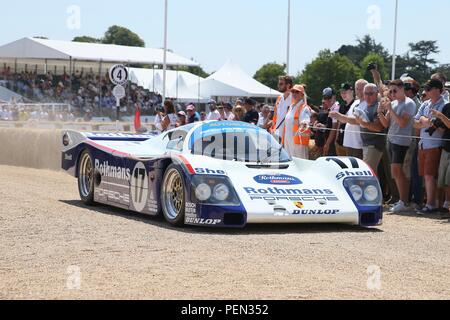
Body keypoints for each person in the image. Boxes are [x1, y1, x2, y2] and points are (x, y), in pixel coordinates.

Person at [378, 80, 417, 213]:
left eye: (395, 91)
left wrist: (389, 109)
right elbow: (385, 124)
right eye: (390, 91)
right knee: (396, 172)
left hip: (402, 141)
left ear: (402, 89)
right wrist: (380, 112)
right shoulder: (393, 103)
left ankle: (404, 201)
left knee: (397, 171)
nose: (392, 94)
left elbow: (402, 123)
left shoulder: (409, 103)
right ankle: (403, 200)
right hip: (391, 140)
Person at [414, 79, 447, 214]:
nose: (426, 91)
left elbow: (441, 126)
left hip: (435, 145)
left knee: (429, 175)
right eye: (426, 89)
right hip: (423, 144)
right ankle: (431, 202)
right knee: (426, 176)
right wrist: (426, 122)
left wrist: (424, 121)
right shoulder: (425, 104)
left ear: (438, 90)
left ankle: (431, 204)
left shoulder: (445, 105)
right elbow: (415, 122)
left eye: (429, 89)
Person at [330, 80, 367, 159]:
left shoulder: (367, 104)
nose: (358, 91)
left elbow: (357, 121)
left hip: (358, 144)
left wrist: (339, 116)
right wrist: (338, 116)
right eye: (357, 88)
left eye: (361, 89)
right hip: (348, 142)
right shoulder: (355, 103)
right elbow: (344, 121)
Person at [355, 84, 386, 173]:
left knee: (368, 172)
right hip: (367, 145)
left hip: (374, 145)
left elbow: (378, 128)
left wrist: (362, 122)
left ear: (376, 94)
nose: (367, 96)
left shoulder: (378, 107)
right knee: (371, 173)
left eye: (371, 93)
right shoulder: (366, 106)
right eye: (366, 93)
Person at [431, 103, 450, 215]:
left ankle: (447, 205)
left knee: (449, 180)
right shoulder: (447, 106)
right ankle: (441, 206)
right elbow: (442, 125)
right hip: (445, 147)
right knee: (441, 180)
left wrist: (441, 116)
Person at [283, 85, 311, 159]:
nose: (294, 93)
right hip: (288, 140)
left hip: (298, 142)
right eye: (293, 91)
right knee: (289, 162)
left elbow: (306, 120)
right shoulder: (291, 107)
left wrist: (304, 123)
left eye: (297, 92)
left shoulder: (304, 108)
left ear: (302, 95)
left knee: (299, 164)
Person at [271, 76, 293, 142]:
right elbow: (275, 116)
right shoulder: (279, 98)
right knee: (275, 152)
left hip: (288, 135)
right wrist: (273, 128)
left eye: (281, 84)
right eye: (279, 84)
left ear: (288, 85)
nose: (278, 86)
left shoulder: (294, 98)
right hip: (277, 132)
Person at [336, 83, 355, 156]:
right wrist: (336, 139)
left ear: (352, 91)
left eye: (345, 92)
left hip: (350, 143)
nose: (343, 94)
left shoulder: (356, 104)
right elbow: (339, 123)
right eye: (341, 92)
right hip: (340, 141)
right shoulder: (342, 106)